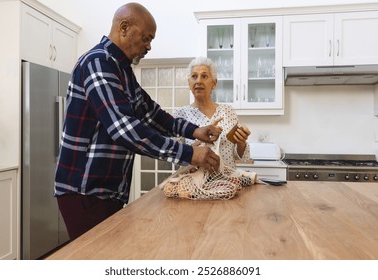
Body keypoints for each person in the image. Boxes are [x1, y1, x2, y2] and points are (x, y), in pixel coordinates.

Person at [54, 3, 222, 240]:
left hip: (105, 193)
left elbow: (154, 115)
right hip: (84, 192)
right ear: (124, 28)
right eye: (146, 38)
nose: (149, 46)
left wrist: (196, 131)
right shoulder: (97, 63)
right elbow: (124, 129)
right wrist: (189, 153)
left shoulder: (121, 70)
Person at [174, 57, 251, 169]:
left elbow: (238, 155)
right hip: (195, 183)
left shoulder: (228, 111)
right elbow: (176, 156)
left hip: (227, 181)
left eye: (204, 76)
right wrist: (201, 139)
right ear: (189, 83)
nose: (198, 81)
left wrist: (241, 142)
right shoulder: (180, 114)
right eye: (194, 76)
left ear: (214, 83)